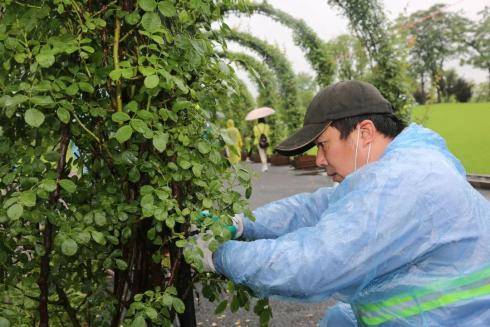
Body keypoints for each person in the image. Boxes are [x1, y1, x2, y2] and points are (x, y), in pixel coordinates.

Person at [197, 80, 490, 326]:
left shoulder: (400, 181)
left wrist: (219, 256)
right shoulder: (401, 166)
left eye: (323, 145)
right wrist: (243, 223)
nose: (320, 160)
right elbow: (317, 207)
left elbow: (314, 263)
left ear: (364, 133)